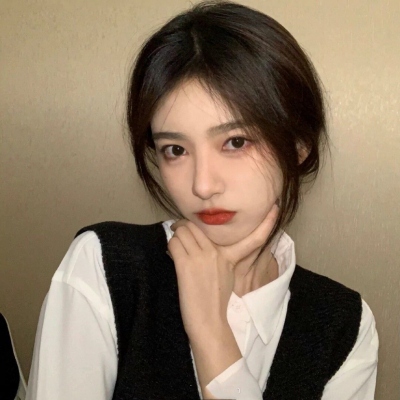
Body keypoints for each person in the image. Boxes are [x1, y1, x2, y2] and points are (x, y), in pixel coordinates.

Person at [26, 1, 378, 399]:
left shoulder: (346, 326)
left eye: (236, 142)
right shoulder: (104, 268)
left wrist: (212, 334)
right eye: (175, 150)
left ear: (298, 145)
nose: (203, 185)